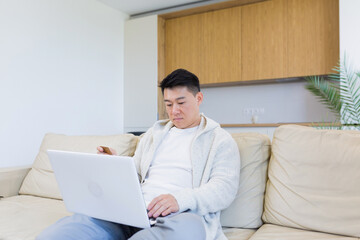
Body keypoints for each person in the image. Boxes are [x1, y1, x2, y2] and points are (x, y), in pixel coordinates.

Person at [37, 69, 240, 240]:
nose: (174, 110)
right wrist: (115, 165)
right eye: (168, 104)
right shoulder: (154, 134)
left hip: (179, 215)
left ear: (199, 98)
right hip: (130, 211)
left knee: (190, 229)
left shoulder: (220, 140)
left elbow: (224, 189)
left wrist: (180, 199)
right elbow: (135, 173)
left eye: (181, 102)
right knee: (69, 228)